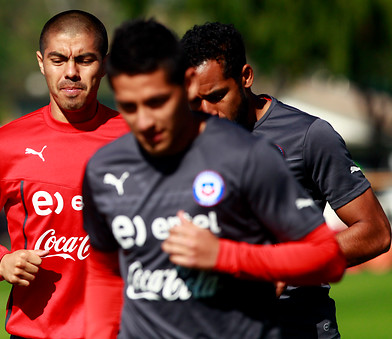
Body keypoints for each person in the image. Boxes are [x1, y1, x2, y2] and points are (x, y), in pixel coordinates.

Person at [82, 18, 347, 339]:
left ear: (188, 83)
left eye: (157, 102)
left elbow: (327, 257)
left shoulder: (248, 156)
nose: (145, 121)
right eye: (129, 107)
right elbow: (104, 272)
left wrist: (225, 256)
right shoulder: (104, 168)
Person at [181, 21, 391, 338]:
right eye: (196, 102)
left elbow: (375, 232)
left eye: (217, 95)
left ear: (245, 77)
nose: (208, 112)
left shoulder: (308, 136)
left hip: (297, 327)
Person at [0, 10, 129, 339]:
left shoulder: (137, 139)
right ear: (42, 62)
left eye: (85, 60)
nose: (71, 72)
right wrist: (0, 261)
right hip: (37, 334)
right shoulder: (3, 146)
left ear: (105, 63)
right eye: (59, 60)